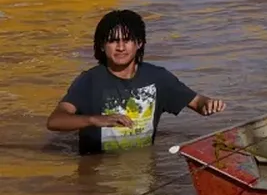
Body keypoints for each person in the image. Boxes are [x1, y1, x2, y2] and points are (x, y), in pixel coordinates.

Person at [47, 10, 226, 154]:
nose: (121, 47)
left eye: (127, 40)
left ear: (139, 43)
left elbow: (197, 103)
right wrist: (94, 120)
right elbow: (55, 121)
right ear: (102, 45)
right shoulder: (90, 80)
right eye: (113, 41)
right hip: (99, 173)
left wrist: (209, 104)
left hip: (143, 169)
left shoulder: (157, 78)